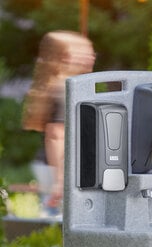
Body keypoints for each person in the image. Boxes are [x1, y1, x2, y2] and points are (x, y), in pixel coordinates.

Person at [22, 31, 96, 215]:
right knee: (62, 222)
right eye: (85, 53)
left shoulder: (58, 85)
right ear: (67, 57)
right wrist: (59, 179)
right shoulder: (66, 89)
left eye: (92, 52)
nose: (91, 57)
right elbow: (56, 135)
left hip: (48, 166)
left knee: (54, 220)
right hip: (59, 169)